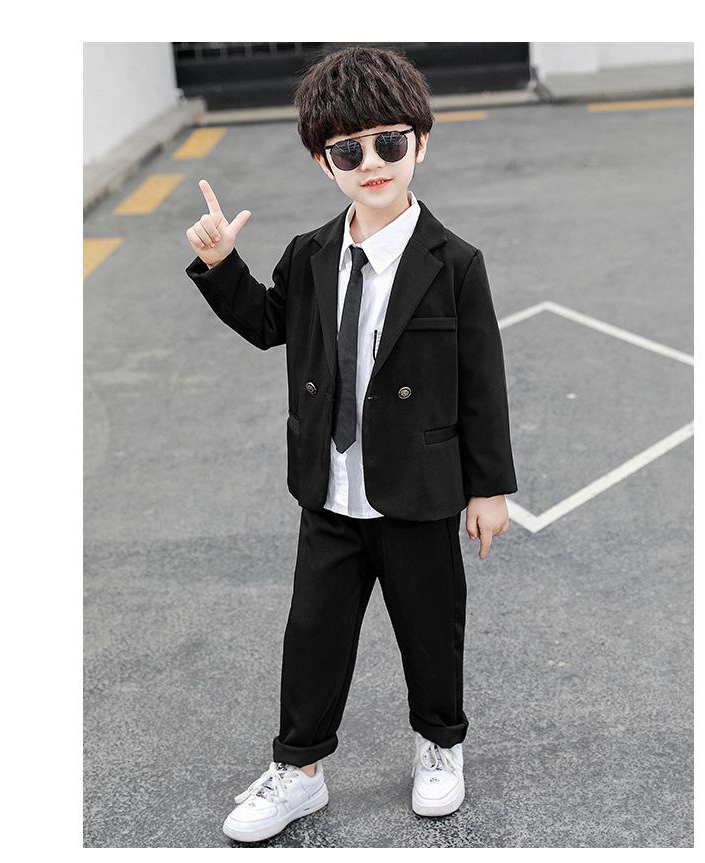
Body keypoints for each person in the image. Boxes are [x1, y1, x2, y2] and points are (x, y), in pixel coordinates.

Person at [184, 45, 517, 844]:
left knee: (430, 626)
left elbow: (482, 379)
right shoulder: (309, 254)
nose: (372, 163)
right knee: (313, 633)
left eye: (388, 142)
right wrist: (221, 264)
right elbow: (269, 324)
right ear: (322, 162)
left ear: (420, 143)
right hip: (330, 488)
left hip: (418, 489)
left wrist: (488, 487)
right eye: (348, 151)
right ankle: (299, 769)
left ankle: (439, 743)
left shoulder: (455, 263)